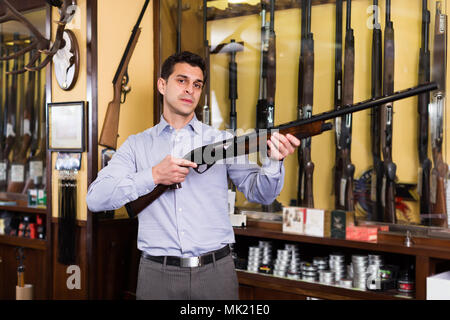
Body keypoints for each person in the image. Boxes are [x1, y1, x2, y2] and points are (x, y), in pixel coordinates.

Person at [86, 51, 301, 300]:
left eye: (197, 84)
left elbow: (261, 193)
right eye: (182, 80)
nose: (190, 90)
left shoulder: (223, 142)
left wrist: (275, 161)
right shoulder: (136, 145)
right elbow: (95, 199)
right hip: (157, 274)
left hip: (215, 273)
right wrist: (154, 175)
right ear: (162, 85)